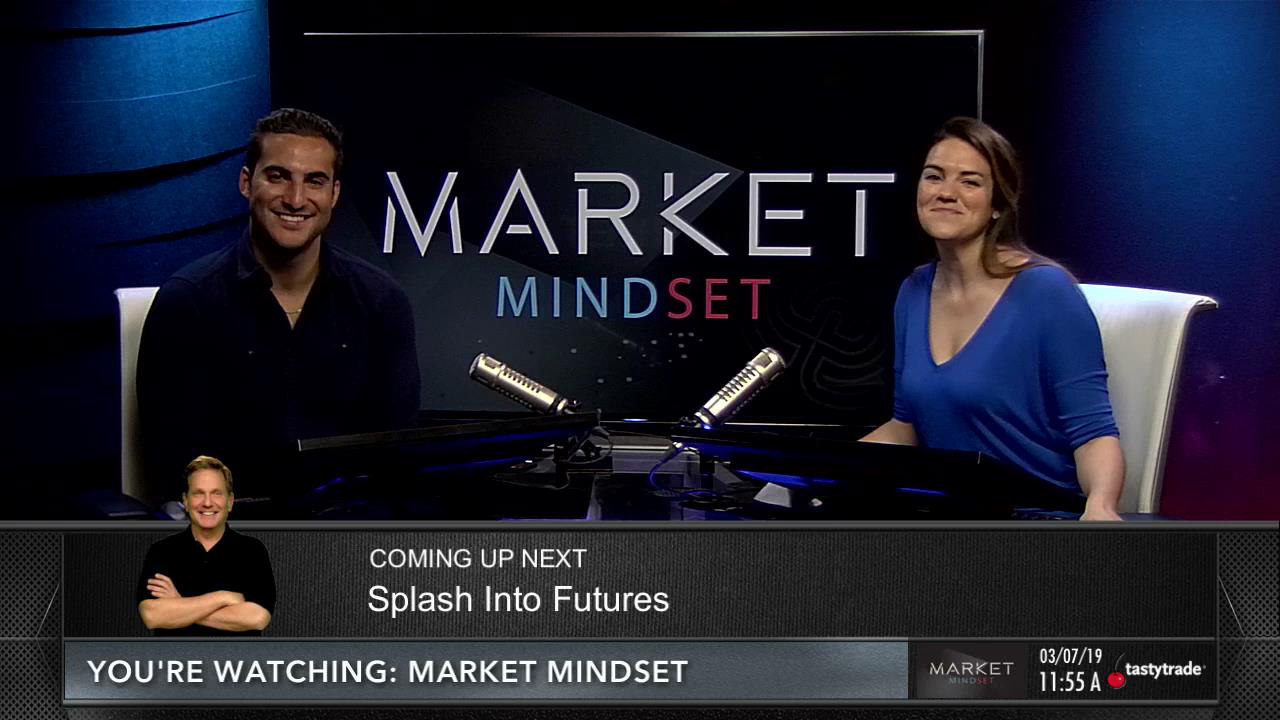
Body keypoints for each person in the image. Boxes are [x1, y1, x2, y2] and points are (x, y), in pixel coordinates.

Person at [137, 108, 420, 498]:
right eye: (278, 176)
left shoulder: (381, 302)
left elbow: (396, 452)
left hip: (349, 521)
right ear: (246, 183)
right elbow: (173, 458)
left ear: (334, 194)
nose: (296, 199)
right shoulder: (188, 301)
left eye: (314, 181)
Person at [863, 117, 1124, 521]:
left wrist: (1100, 506)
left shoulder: (1046, 292)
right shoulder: (913, 291)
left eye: (969, 182)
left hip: (1034, 518)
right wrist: (806, 475)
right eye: (934, 176)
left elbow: (1093, 434)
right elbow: (906, 427)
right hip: (946, 515)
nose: (946, 192)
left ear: (997, 204)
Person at [136, 456, 275, 635]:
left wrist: (179, 604)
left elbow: (257, 618)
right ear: (186, 501)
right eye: (198, 493)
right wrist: (222, 597)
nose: (208, 503)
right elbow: (153, 616)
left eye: (217, 493)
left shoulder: (252, 551)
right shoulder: (162, 551)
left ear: (230, 501)